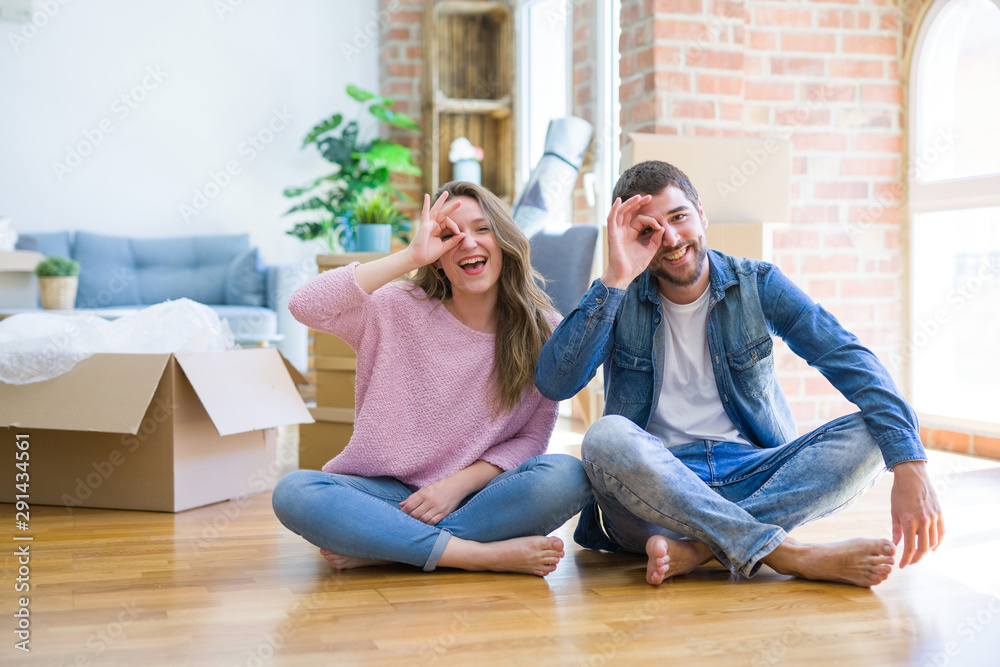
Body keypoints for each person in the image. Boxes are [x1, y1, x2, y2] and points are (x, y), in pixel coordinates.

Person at [534, 160, 944, 588]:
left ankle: (701, 548)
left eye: (679, 218)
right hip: (653, 495)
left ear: (701, 214)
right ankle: (788, 554)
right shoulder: (619, 294)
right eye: (648, 231)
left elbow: (849, 357)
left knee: (878, 430)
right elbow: (555, 382)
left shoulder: (757, 283)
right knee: (605, 437)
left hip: (751, 476)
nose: (671, 239)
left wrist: (911, 464)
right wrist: (615, 277)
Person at [272, 181, 591, 577]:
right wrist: (408, 256)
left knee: (569, 476)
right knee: (295, 493)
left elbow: (531, 440)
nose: (467, 243)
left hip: (477, 498)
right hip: (385, 495)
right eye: (449, 235)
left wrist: (454, 486)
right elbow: (305, 306)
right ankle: (477, 555)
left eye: (481, 228)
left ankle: (386, 547)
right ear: (437, 257)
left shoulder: (544, 330)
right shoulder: (395, 307)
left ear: (504, 239)